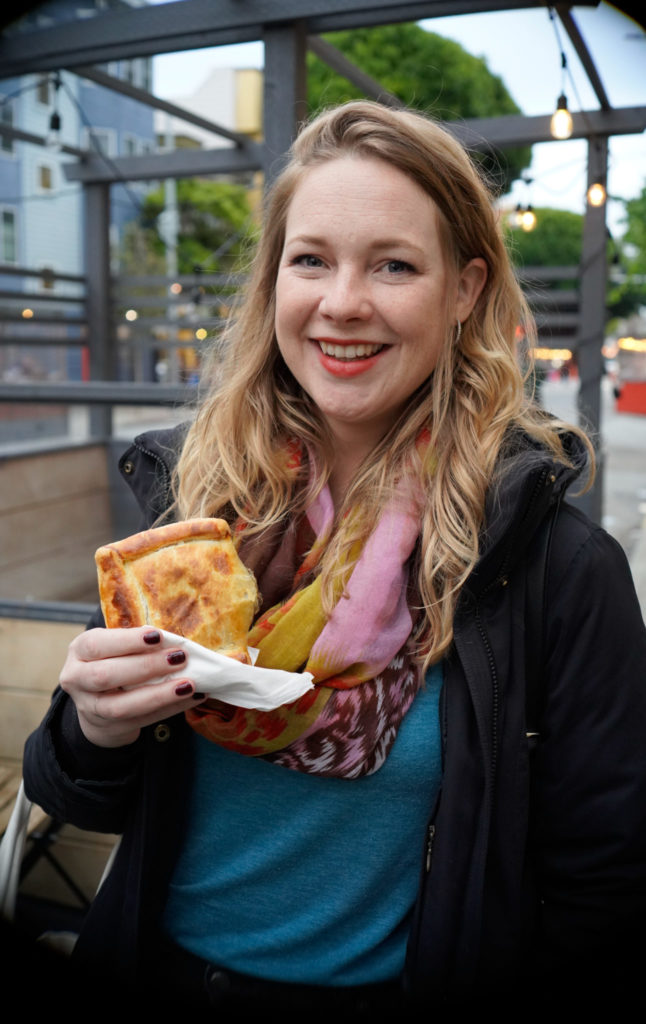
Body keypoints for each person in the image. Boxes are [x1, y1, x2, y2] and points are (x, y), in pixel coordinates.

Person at [22, 101, 646, 1018]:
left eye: (393, 265)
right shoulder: (198, 511)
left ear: (465, 290)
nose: (342, 302)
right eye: (311, 259)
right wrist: (96, 726)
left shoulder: (554, 563)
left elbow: (606, 875)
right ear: (274, 278)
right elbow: (72, 787)